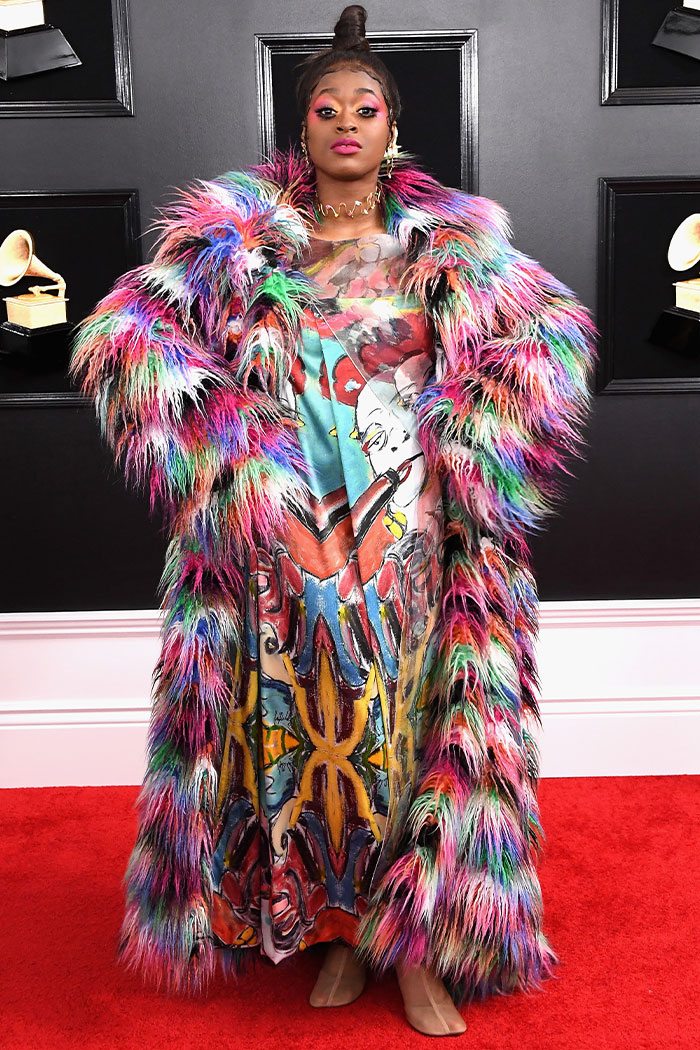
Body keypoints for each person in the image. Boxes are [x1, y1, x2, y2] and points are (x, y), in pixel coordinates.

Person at [68, 3, 598, 1038]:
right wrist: (228, 457)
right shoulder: (237, 246)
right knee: (321, 725)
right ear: (299, 131)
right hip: (288, 536)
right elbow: (123, 340)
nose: (345, 123)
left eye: (365, 108)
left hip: (409, 529)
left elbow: (550, 349)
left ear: (392, 128)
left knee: (410, 726)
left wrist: (470, 453)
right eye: (325, 108)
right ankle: (343, 926)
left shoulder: (444, 247)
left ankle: (417, 947)